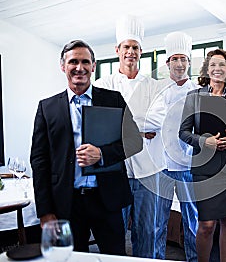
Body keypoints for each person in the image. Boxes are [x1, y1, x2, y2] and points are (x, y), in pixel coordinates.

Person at [30, 39, 143, 255]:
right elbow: (39, 161)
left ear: (93, 65)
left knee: (115, 256)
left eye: (85, 62)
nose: (79, 68)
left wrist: (102, 154)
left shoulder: (113, 99)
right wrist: (44, 211)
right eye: (73, 62)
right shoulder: (47, 107)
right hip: (66, 203)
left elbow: (134, 141)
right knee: (70, 258)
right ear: (63, 66)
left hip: (106, 199)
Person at [93, 15, 166, 259]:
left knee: (148, 232)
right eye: (126, 47)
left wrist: (120, 125)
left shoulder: (156, 86)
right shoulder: (103, 84)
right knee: (114, 234)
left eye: (135, 47)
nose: (131, 52)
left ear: (141, 52)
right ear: (117, 50)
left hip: (149, 172)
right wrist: (139, 128)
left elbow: (159, 120)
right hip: (115, 172)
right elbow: (101, 126)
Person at [179, 49, 226, 262]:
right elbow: (183, 132)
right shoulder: (194, 97)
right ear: (207, 70)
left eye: (222, 65)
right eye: (213, 65)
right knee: (206, 224)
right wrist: (203, 141)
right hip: (204, 168)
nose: (218, 69)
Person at [157, 31, 198, 261]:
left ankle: (194, 259)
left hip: (187, 164)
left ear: (189, 62)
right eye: (175, 59)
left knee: (192, 219)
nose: (180, 63)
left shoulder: (198, 91)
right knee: (159, 220)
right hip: (162, 164)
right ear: (167, 63)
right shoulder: (158, 91)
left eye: (183, 59)